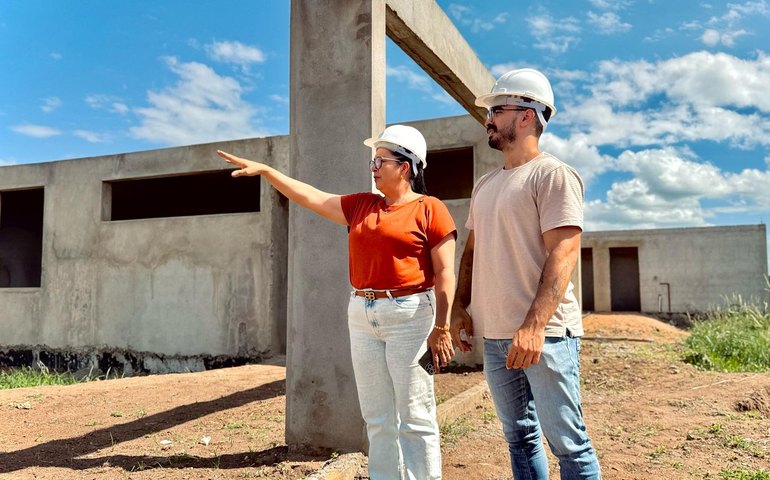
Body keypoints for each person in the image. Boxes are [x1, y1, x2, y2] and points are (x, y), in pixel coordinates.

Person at [217, 124, 456, 480]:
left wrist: (443, 327)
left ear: (406, 167)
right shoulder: (362, 205)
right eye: (373, 160)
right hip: (362, 313)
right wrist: (268, 172)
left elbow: (446, 273)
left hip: (409, 316)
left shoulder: (430, 209)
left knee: (415, 414)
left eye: (381, 160)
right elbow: (310, 196)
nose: (373, 167)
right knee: (377, 416)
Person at [450, 68, 602, 479]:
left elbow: (564, 252)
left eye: (497, 109)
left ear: (526, 116)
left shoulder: (553, 175)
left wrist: (535, 325)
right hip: (497, 336)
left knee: (569, 445)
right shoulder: (485, 185)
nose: (488, 118)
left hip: (545, 336)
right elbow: (471, 254)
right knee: (519, 438)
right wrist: (459, 307)